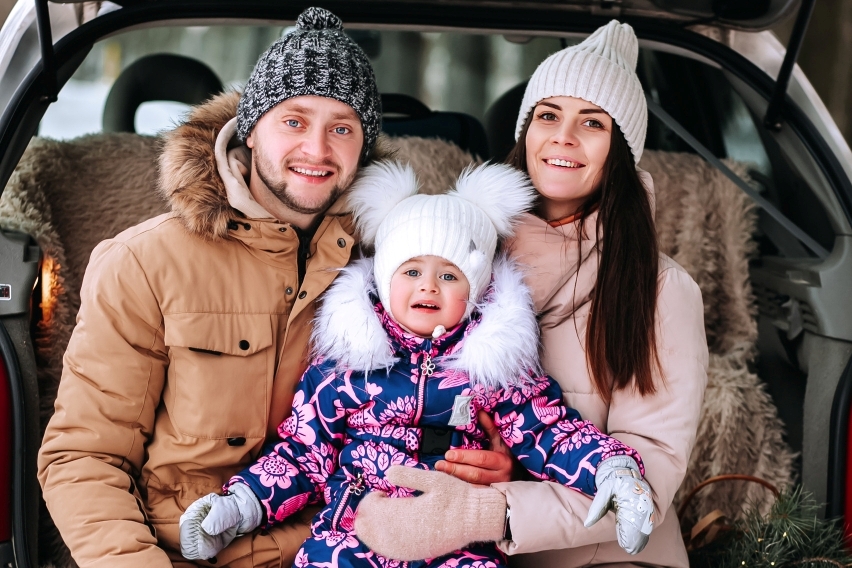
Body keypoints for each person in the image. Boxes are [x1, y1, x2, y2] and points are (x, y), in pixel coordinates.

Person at [37, 7, 385, 567]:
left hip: (344, 551)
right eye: (294, 121)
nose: (318, 150)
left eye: (342, 128)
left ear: (364, 145)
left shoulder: (397, 268)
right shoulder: (144, 262)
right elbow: (85, 458)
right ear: (250, 127)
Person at [178, 161, 655, 568]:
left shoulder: (494, 371)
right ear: (384, 278)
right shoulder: (343, 368)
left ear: (477, 289)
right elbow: (304, 454)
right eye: (411, 271)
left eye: (449, 275)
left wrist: (611, 470)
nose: (428, 286)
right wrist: (240, 505)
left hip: (455, 536)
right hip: (352, 533)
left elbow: (547, 431)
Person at [355, 20, 709, 568]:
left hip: (603, 558)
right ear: (525, 131)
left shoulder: (660, 288)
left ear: (620, 149)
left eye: (591, 122)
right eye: (548, 115)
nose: (564, 137)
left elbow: (649, 473)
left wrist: (493, 507)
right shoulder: (459, 259)